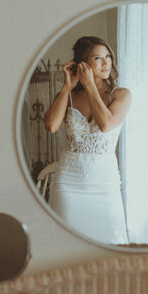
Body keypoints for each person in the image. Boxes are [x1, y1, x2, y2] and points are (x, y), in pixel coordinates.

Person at [43, 36, 132, 244]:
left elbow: (106, 124)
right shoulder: (70, 95)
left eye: (108, 57)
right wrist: (66, 87)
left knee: (111, 243)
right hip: (68, 182)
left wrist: (90, 85)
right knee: (66, 245)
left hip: (105, 183)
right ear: (83, 64)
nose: (106, 63)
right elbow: (51, 126)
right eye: (98, 58)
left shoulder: (122, 95)